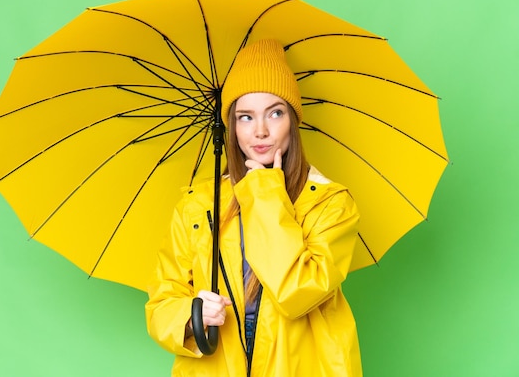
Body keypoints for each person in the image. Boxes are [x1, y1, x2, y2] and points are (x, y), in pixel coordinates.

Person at [145, 39, 362, 376]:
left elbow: (298, 292)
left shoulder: (330, 204)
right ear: (231, 127)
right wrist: (192, 315)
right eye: (245, 117)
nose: (260, 131)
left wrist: (265, 191)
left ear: (293, 120)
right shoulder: (198, 206)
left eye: (275, 113)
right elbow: (162, 302)